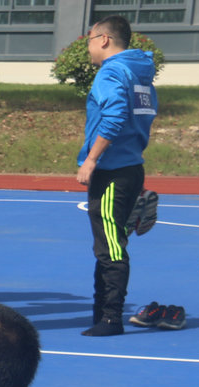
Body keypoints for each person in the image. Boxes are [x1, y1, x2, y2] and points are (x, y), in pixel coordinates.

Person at [76, 16, 163, 337]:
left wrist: (91, 159)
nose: (87, 47)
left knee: (110, 246)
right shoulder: (140, 74)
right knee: (108, 241)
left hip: (112, 172)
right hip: (131, 168)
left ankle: (111, 317)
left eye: (89, 39)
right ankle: (101, 312)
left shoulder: (112, 72)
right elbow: (144, 115)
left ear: (104, 40)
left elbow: (114, 117)